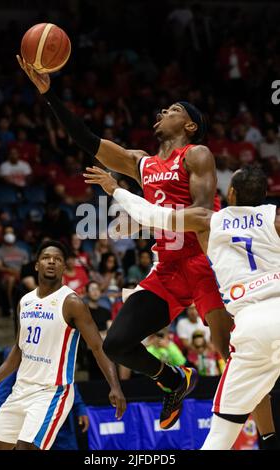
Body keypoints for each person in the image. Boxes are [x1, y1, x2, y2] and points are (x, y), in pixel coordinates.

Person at [16, 57, 273, 437]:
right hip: (168, 270)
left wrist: (151, 212)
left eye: (172, 110)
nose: (162, 111)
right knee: (116, 344)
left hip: (207, 266)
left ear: (189, 125)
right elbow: (85, 140)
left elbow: (202, 212)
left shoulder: (196, 153)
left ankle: (267, 436)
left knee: (232, 353)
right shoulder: (142, 163)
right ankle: (173, 379)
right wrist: (50, 95)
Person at [93, 165, 280, 450]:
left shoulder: (208, 220)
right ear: (265, 195)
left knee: (221, 433)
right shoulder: (275, 218)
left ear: (230, 193)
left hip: (251, 321)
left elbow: (150, 214)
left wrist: (114, 188)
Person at [0, 240, 126, 450]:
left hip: (51, 391)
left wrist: (115, 386)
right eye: (46, 258)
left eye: (57, 259)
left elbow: (97, 347)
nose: (51, 262)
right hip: (20, 389)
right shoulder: (25, 301)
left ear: (64, 268)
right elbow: (20, 349)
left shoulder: (72, 302)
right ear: (37, 264)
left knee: (25, 447)